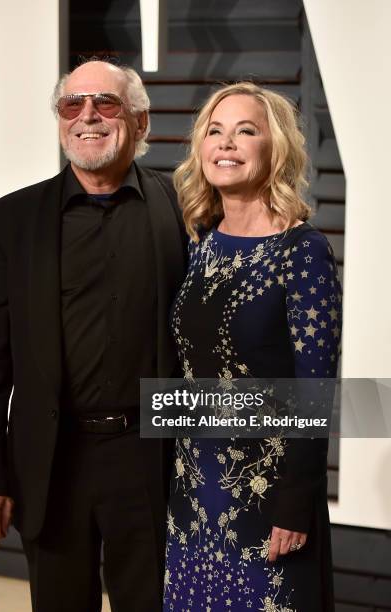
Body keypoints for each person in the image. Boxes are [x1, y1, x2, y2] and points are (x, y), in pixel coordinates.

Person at [0, 59, 186, 612]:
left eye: (106, 103)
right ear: (61, 120)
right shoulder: (5, 223)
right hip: (52, 463)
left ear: (140, 121)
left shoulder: (189, 209)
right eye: (72, 105)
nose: (88, 116)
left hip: (152, 459)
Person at [163, 82, 341, 611]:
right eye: (214, 132)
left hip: (268, 493)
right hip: (191, 487)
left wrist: (294, 501)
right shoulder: (199, 240)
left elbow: (315, 389)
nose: (227, 143)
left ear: (275, 147)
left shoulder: (302, 251)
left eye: (246, 131)